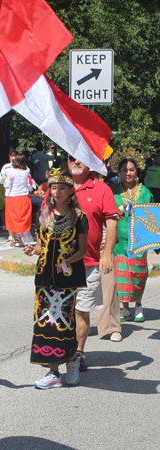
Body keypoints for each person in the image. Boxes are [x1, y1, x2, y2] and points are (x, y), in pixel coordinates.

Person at [23, 169, 88, 388]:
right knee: (45, 322)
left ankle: (71, 363)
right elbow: (42, 246)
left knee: (64, 322)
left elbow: (82, 250)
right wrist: (34, 250)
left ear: (71, 191)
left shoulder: (79, 216)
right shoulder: (43, 215)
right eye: (53, 187)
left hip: (66, 279)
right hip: (43, 278)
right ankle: (53, 372)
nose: (57, 192)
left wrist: (67, 262)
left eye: (62, 188)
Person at [68, 154, 120, 374]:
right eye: (72, 157)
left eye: (81, 157)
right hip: (60, 265)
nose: (76, 162)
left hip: (89, 262)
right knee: (60, 312)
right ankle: (60, 351)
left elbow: (112, 221)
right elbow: (44, 219)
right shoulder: (57, 187)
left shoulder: (102, 189)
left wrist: (107, 252)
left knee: (81, 311)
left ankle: (78, 353)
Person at [111, 156, 153, 322]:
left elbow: (152, 219)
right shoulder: (112, 191)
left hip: (139, 241)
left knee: (138, 275)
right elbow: (109, 214)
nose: (128, 173)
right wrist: (121, 208)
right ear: (119, 172)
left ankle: (139, 305)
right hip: (119, 240)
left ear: (137, 171)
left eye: (131, 169)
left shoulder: (146, 192)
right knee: (121, 276)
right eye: (124, 170)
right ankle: (125, 308)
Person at [4, 154, 36, 247]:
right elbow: (30, 185)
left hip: (12, 198)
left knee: (11, 219)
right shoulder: (27, 171)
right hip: (24, 197)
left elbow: (6, 184)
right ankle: (22, 238)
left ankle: (13, 239)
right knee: (23, 219)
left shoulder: (11, 172)